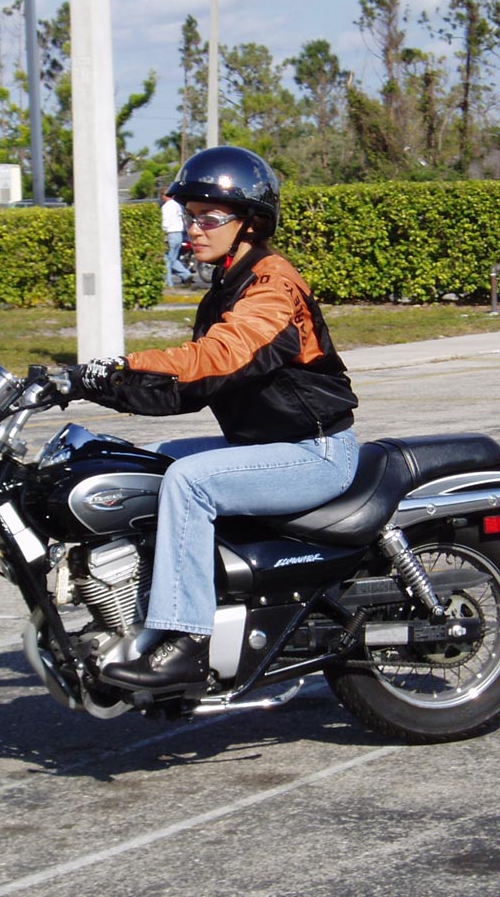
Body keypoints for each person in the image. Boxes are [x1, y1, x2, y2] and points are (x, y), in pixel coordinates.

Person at [65, 146, 360, 694]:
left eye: (208, 217)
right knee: (155, 464)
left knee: (190, 481)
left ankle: (187, 642)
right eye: (189, 216)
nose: (193, 228)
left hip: (315, 451)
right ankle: (145, 611)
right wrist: (89, 387)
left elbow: (220, 356)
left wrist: (121, 365)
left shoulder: (272, 285)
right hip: (268, 446)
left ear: (250, 222)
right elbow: (192, 390)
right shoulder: (226, 288)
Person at [160, 188, 193, 287]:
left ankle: (168, 282)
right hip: (179, 234)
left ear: (164, 195)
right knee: (173, 258)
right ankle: (186, 275)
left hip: (170, 234)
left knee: (166, 259)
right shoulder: (177, 205)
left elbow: (165, 222)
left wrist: (162, 233)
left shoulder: (166, 207)